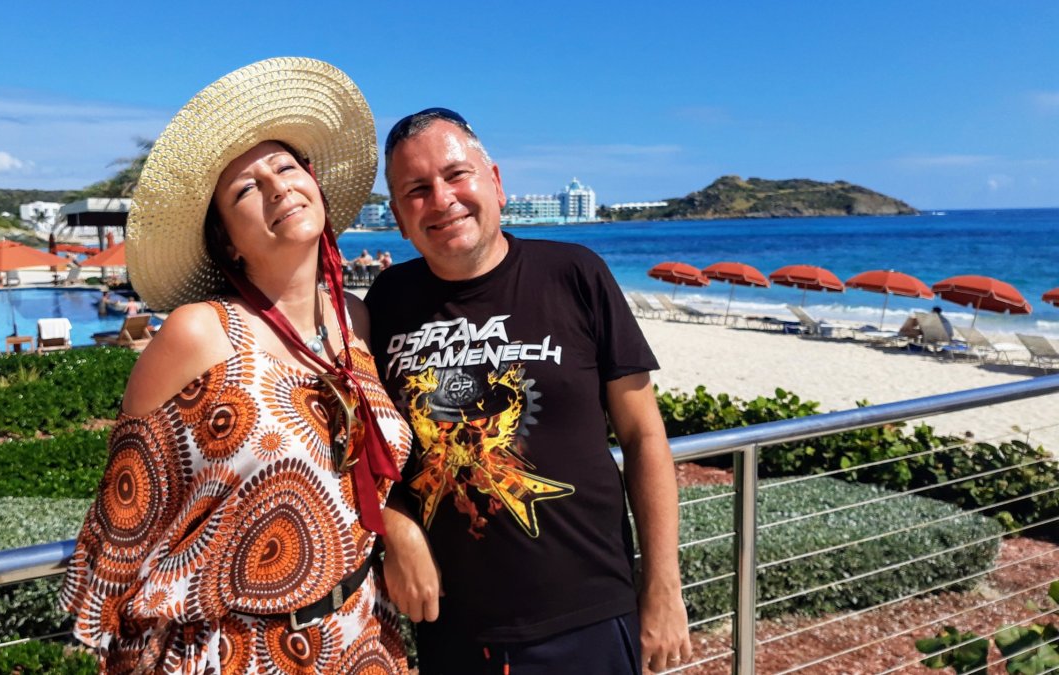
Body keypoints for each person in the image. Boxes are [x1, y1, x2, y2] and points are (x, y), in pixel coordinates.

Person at [60, 58, 412, 673]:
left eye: (286, 167)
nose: (278, 187)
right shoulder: (200, 333)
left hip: (364, 634)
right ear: (226, 240)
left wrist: (403, 532)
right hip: (238, 651)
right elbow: (122, 523)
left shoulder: (354, 319)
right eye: (247, 189)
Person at [366, 108, 692, 674]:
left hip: (588, 614)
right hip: (454, 627)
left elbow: (644, 436)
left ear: (495, 182)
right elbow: (361, 448)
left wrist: (663, 589)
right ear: (398, 216)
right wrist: (396, 527)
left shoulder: (575, 274)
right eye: (417, 189)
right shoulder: (387, 302)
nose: (441, 200)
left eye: (456, 175)